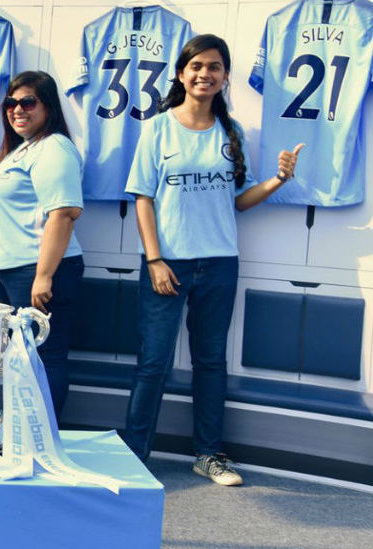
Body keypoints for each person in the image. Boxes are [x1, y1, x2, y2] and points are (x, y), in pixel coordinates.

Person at [122, 34, 303, 485]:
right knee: (154, 362)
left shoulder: (232, 131)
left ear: (225, 77)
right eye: (196, 66)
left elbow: (239, 201)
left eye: (215, 67)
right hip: (168, 265)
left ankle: (208, 454)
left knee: (210, 361)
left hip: (220, 264)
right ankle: (134, 453)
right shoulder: (158, 128)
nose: (205, 74)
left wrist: (279, 180)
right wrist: (155, 260)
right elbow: (143, 199)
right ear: (182, 73)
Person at [0, 70, 84, 417]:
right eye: (11, 103)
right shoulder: (22, 151)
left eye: (28, 102)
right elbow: (9, 210)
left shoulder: (53, 147)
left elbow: (64, 214)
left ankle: (44, 444)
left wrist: (44, 276)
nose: (17, 109)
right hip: (14, 272)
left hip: (38, 271)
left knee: (45, 357)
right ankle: (26, 435)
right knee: (24, 358)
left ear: (48, 107)